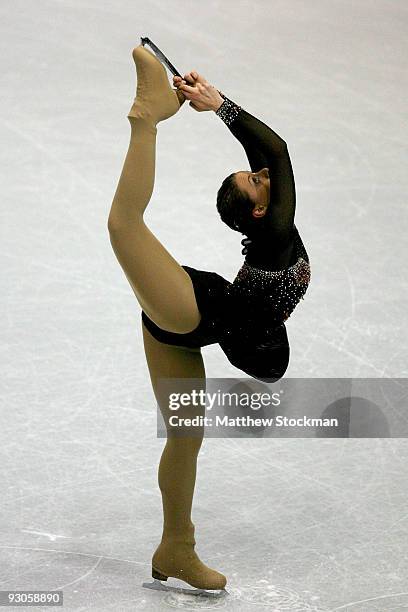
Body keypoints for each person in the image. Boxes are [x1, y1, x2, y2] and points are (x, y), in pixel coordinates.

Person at [107, 42, 311, 592]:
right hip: (194, 311)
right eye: (256, 179)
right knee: (125, 224)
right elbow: (280, 151)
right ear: (262, 209)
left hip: (192, 321)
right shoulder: (271, 235)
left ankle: (176, 546)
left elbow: (271, 154)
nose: (263, 172)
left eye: (256, 177)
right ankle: (144, 118)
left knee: (185, 435)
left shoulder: (271, 234)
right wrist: (216, 104)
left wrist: (216, 104)